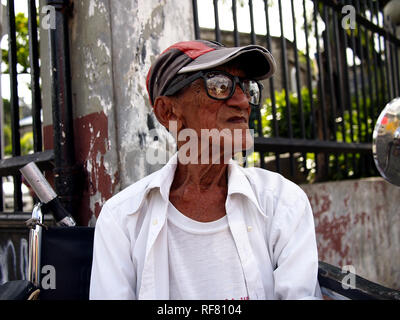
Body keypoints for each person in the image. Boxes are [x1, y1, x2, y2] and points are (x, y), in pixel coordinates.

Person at [89, 40, 322, 300]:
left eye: (246, 87)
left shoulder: (282, 202)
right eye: (219, 85)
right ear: (168, 111)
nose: (243, 101)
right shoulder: (122, 220)